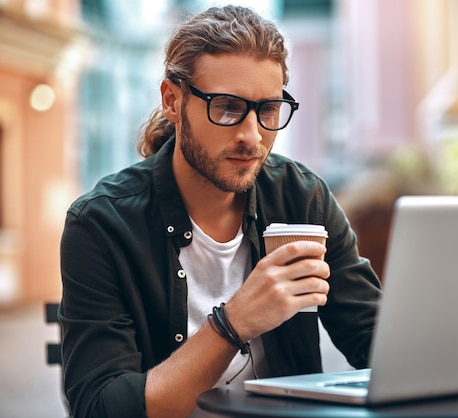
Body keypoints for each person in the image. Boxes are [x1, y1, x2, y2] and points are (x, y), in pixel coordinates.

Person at [59, 5, 382, 418]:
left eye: (268, 110)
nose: (252, 136)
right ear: (173, 101)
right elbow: (101, 407)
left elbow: (372, 340)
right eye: (227, 107)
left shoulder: (302, 200)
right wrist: (233, 324)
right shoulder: (103, 225)